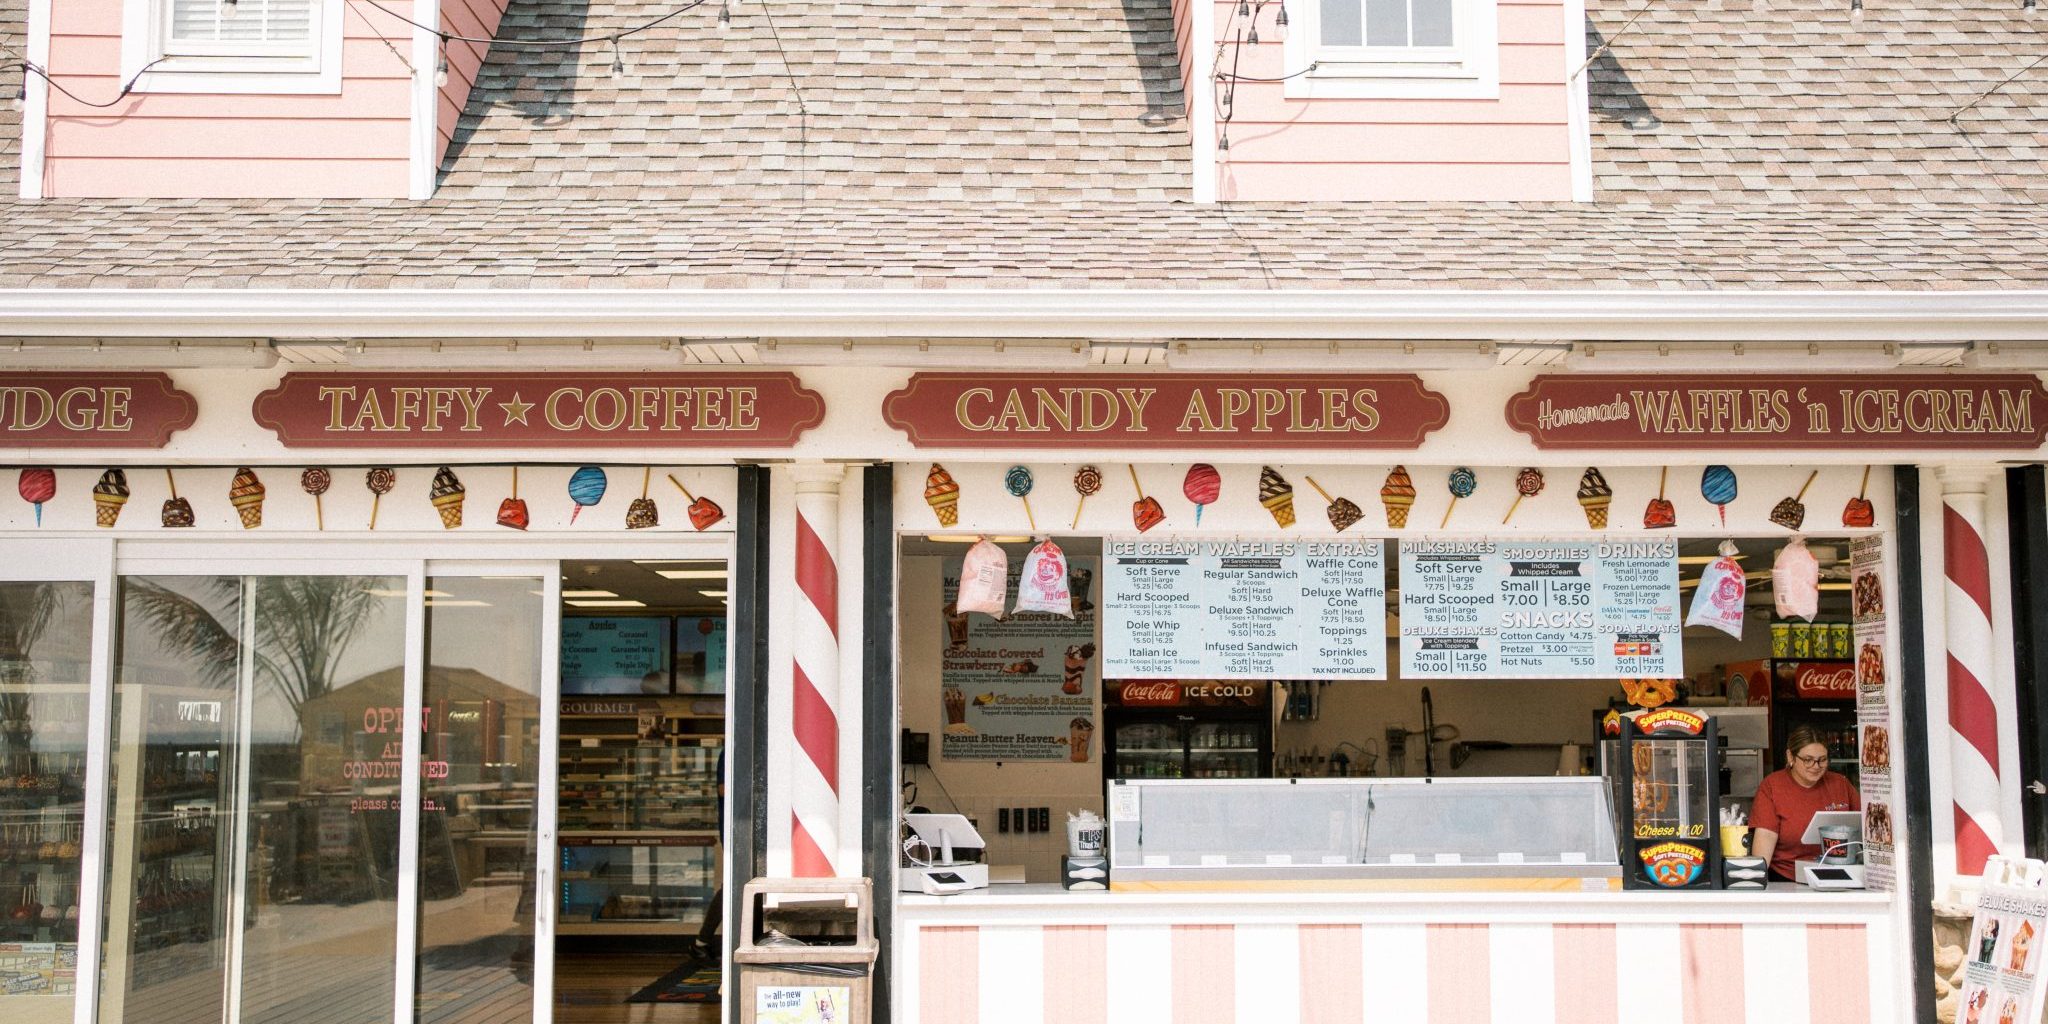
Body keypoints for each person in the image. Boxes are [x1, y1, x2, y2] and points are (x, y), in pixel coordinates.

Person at [1749, 726, 1861, 881]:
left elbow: (1866, 828)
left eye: (1822, 760)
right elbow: (1764, 845)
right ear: (1791, 757)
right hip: (1787, 879)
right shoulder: (1772, 786)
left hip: (1839, 874)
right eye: (1808, 760)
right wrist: (1756, 881)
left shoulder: (1840, 784)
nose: (1816, 766)